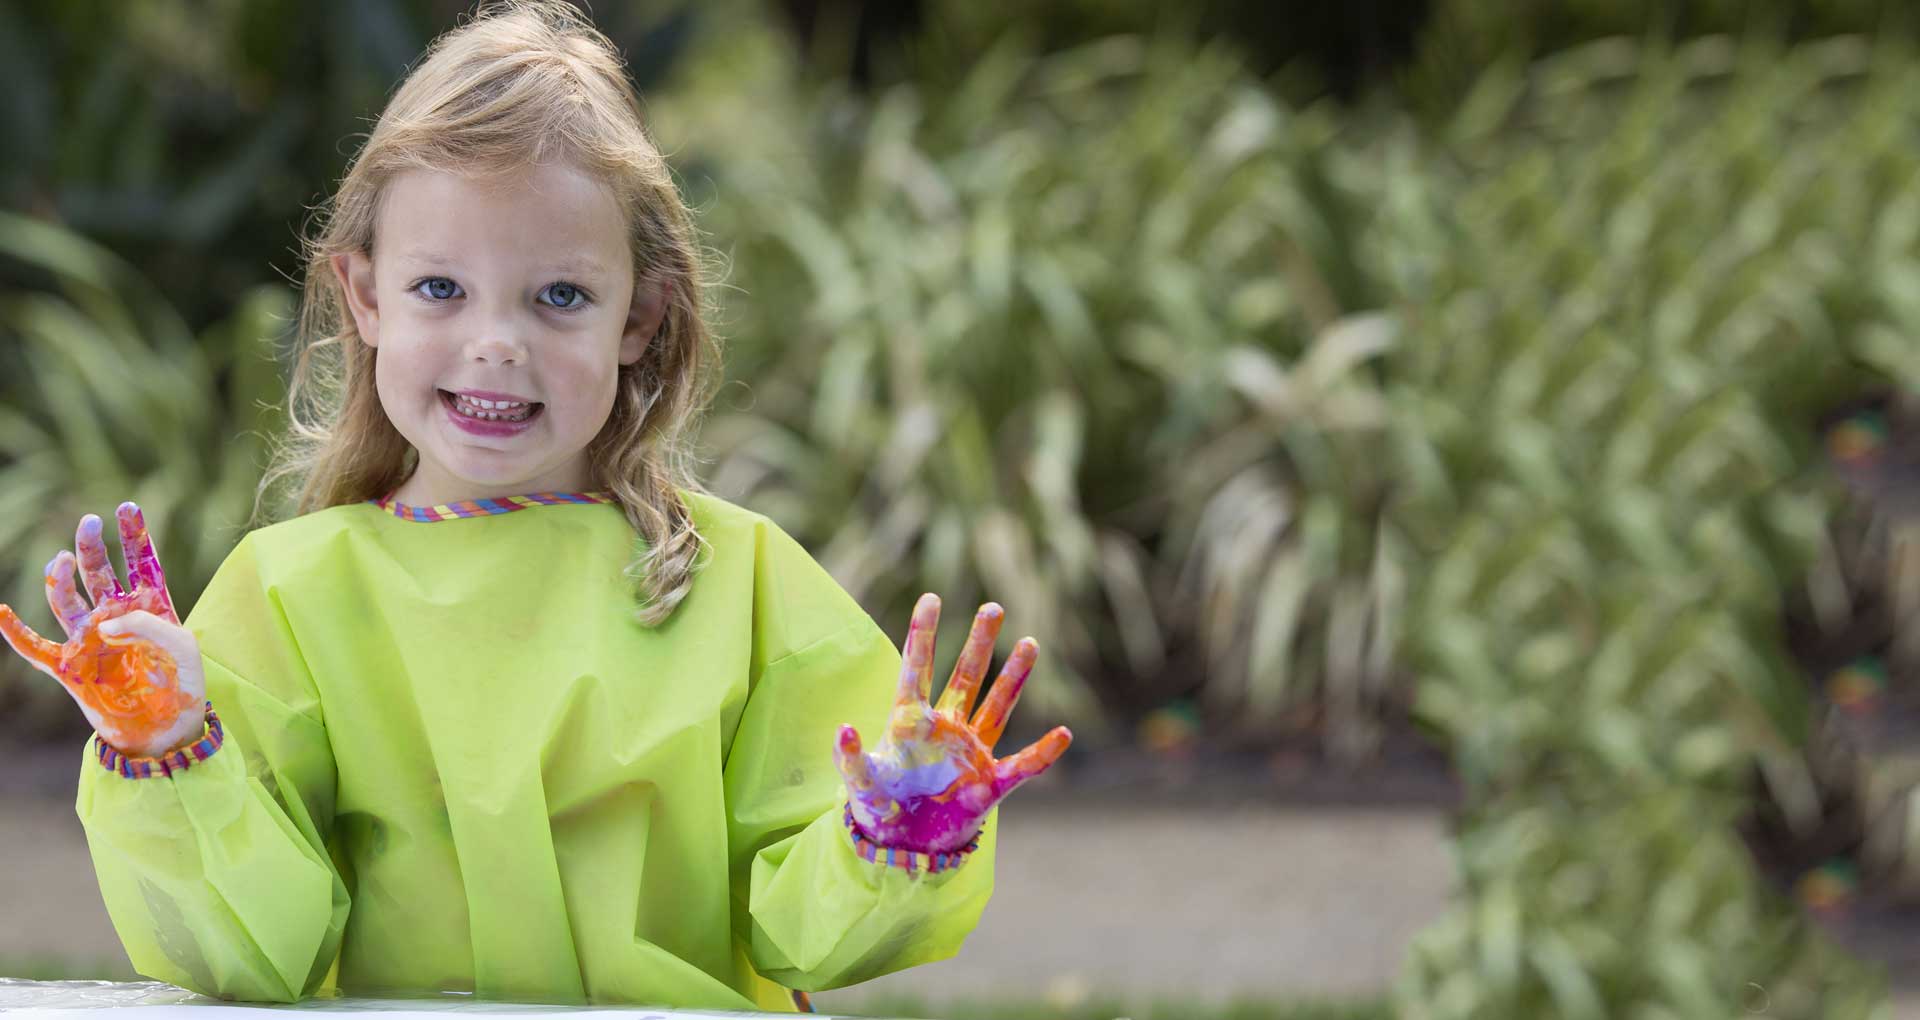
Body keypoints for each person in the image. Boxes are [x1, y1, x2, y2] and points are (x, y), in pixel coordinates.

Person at [0, 1, 1071, 1011]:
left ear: (641, 317)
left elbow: (806, 936)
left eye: (560, 296)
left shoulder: (738, 585)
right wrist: (170, 745)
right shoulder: (288, 596)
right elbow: (258, 956)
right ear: (365, 296)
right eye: (440, 289)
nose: (497, 341)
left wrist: (894, 838)